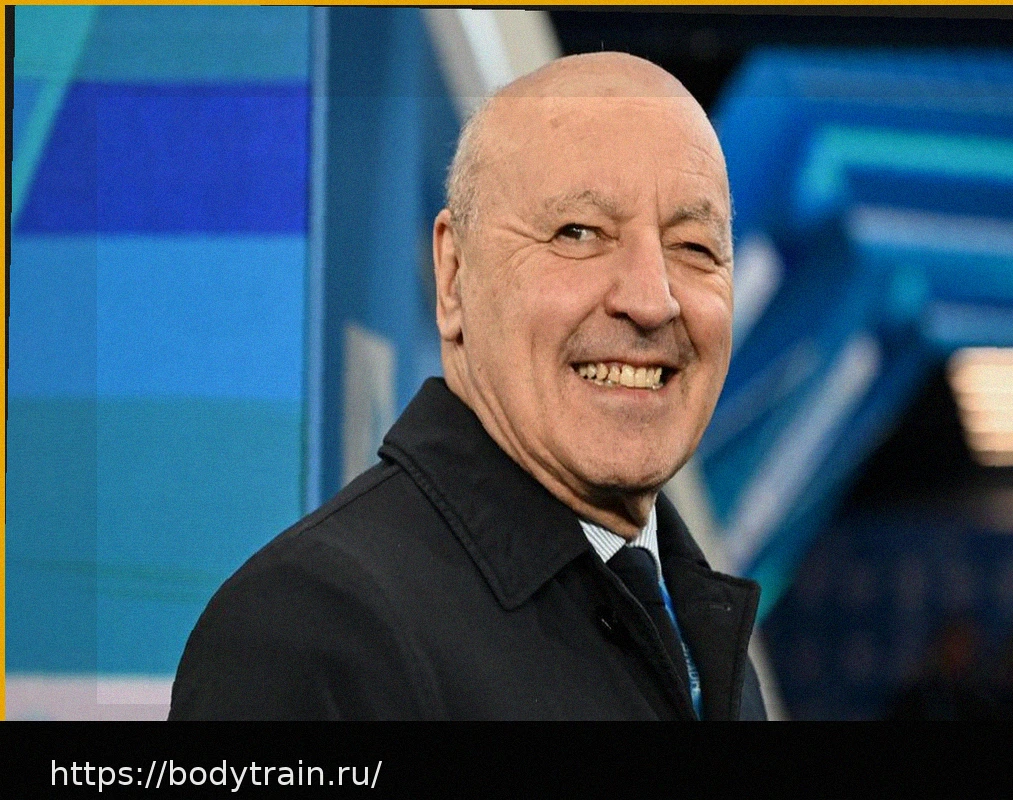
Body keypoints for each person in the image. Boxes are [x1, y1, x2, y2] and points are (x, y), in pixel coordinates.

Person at [169, 52, 766, 720]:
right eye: (579, 233)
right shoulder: (311, 634)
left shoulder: (700, 636)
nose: (652, 300)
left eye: (693, 247)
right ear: (453, 276)